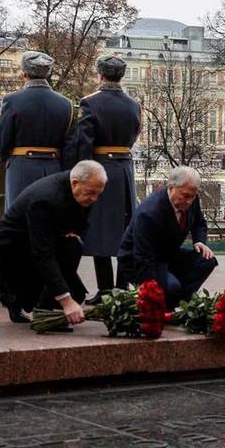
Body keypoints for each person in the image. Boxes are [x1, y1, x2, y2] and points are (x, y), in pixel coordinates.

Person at [64, 55, 142, 304]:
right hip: (125, 170)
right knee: (124, 230)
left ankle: (106, 290)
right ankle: (121, 288)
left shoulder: (89, 103)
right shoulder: (134, 105)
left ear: (100, 75)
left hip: (100, 170)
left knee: (100, 231)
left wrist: (81, 173)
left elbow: (84, 142)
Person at [0, 161, 108, 325]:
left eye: (98, 194)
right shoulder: (45, 199)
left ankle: (46, 303)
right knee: (66, 293)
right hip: (16, 250)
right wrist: (66, 301)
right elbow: (42, 253)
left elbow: (81, 225)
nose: (94, 198)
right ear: (75, 183)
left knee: (74, 246)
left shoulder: (84, 190)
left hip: (49, 239)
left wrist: (73, 234)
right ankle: (28, 302)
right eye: (91, 193)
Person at [116, 166, 218, 303]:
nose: (189, 201)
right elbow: (143, 258)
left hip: (167, 254)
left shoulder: (192, 199)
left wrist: (199, 241)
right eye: (185, 196)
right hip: (138, 260)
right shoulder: (149, 213)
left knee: (206, 261)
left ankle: (180, 302)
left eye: (192, 197)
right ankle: (167, 301)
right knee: (171, 287)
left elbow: (199, 223)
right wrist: (152, 293)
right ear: (171, 187)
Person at [0, 50, 73, 207]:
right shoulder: (65, 104)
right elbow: (69, 144)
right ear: (47, 73)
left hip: (21, 167)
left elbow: (2, 142)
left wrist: (7, 158)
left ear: (24, 73)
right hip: (54, 168)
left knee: (19, 221)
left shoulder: (12, 100)